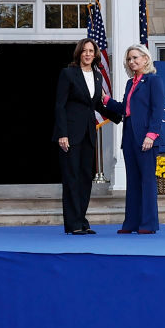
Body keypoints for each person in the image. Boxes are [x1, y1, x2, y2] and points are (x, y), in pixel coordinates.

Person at [53, 38, 117, 235]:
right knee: (71, 177)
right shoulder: (68, 73)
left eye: (91, 51)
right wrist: (62, 133)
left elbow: (97, 104)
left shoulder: (97, 76)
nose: (88, 54)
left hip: (89, 133)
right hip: (70, 134)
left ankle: (82, 220)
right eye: (85, 51)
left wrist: (120, 115)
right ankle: (72, 224)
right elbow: (60, 105)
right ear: (79, 53)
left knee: (85, 178)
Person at [102, 44, 165, 234]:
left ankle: (148, 224)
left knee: (147, 181)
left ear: (146, 59)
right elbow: (124, 109)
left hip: (146, 138)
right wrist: (106, 100)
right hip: (129, 136)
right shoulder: (131, 83)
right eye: (129, 59)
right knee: (133, 181)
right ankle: (131, 223)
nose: (132, 62)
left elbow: (157, 110)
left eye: (135, 58)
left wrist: (151, 135)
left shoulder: (154, 81)